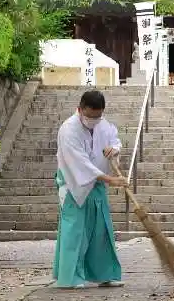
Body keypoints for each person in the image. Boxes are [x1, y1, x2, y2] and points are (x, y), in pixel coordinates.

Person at [54, 90, 128, 289]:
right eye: (90, 116)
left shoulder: (103, 124)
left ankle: (105, 273)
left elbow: (114, 140)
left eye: (98, 116)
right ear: (80, 109)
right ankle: (71, 277)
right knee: (75, 230)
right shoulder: (68, 129)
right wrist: (111, 180)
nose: (94, 121)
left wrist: (114, 149)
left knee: (101, 229)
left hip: (98, 184)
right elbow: (79, 163)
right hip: (73, 183)